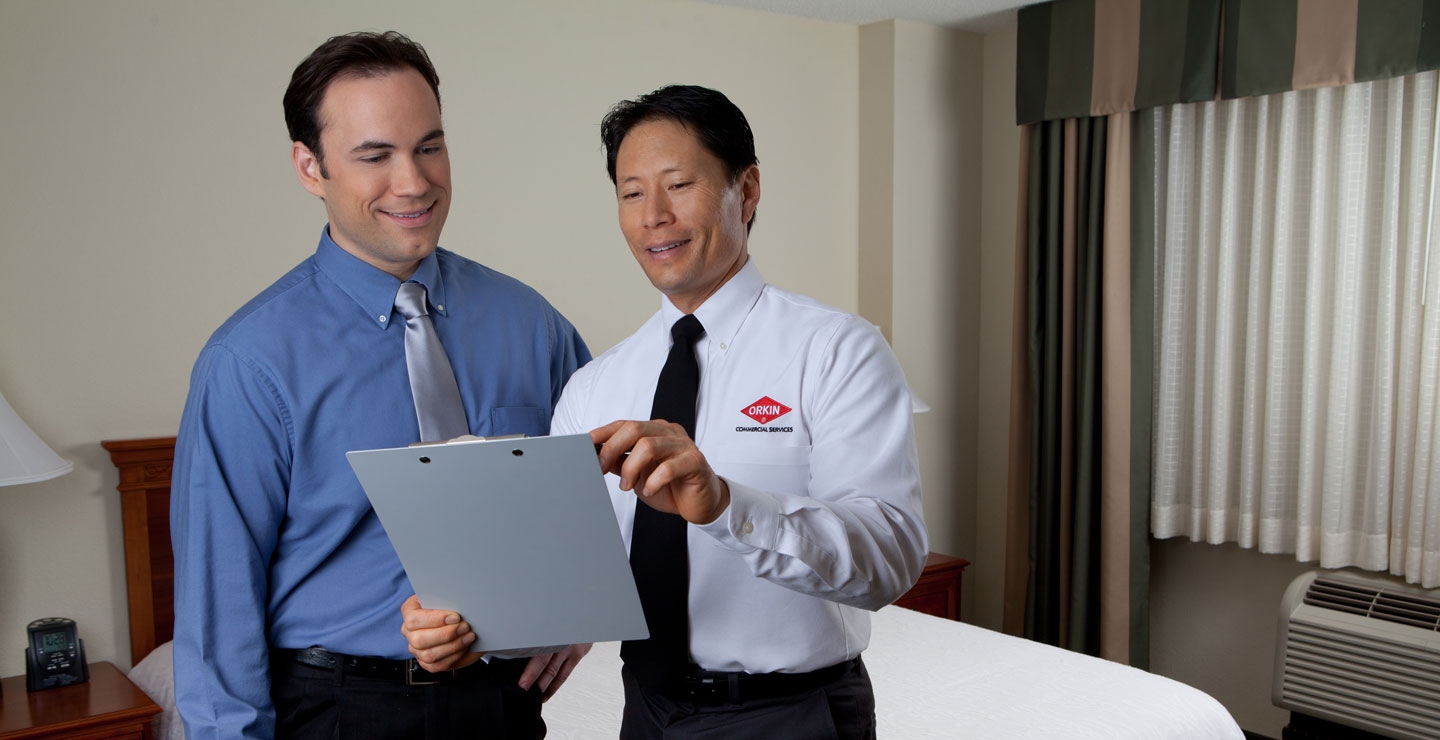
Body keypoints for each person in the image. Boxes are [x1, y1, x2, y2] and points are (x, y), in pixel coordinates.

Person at [406, 84, 928, 739]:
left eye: (678, 184)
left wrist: (724, 504)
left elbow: (891, 560)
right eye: (630, 193)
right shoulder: (596, 386)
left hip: (790, 715)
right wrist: (466, 628)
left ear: (749, 189)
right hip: (646, 713)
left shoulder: (837, 350)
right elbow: (562, 588)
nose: (653, 215)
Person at [170, 31, 590, 740]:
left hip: (502, 706)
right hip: (342, 707)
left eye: (429, 146)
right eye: (376, 155)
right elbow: (218, 611)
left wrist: (576, 611)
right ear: (311, 167)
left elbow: (601, 490)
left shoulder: (530, 322)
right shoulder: (248, 362)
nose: (415, 181)